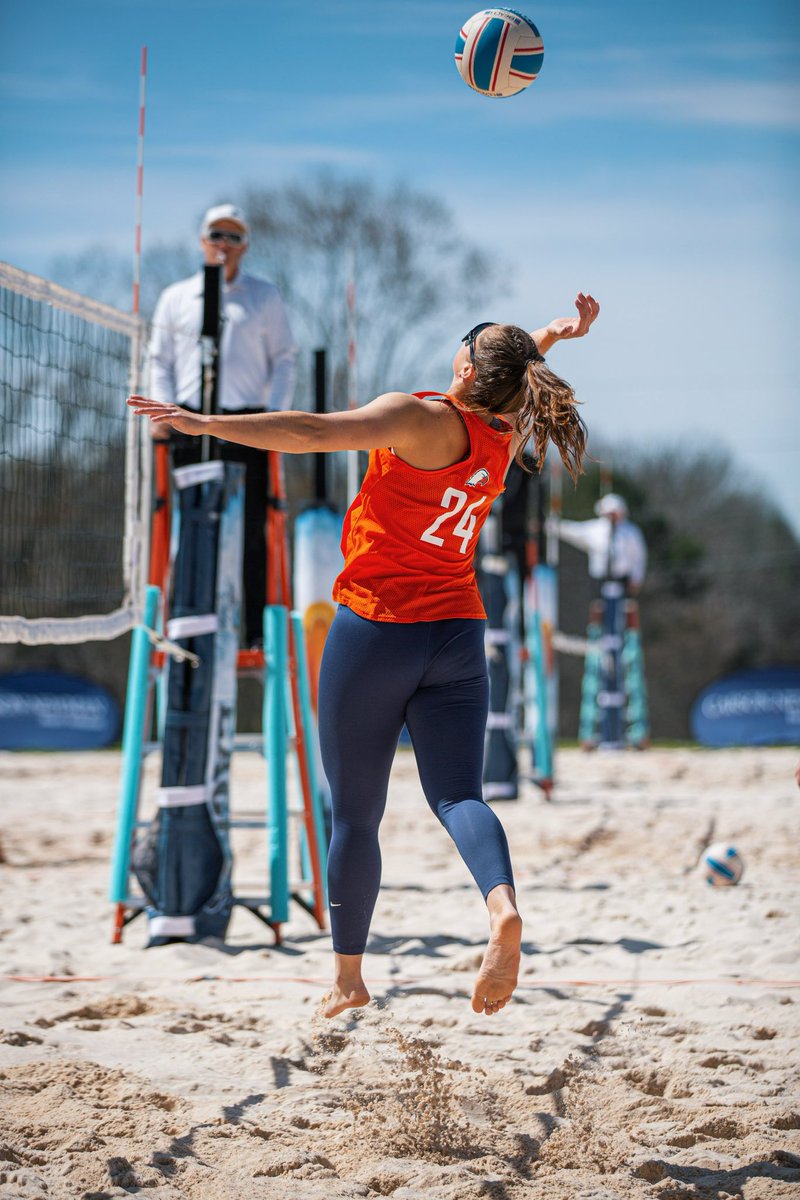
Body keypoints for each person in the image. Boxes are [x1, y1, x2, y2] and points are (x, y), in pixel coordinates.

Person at [129, 292, 600, 1018]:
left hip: (377, 631)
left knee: (354, 816)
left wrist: (204, 423)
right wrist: (553, 335)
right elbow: (516, 368)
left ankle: (349, 979)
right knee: (458, 796)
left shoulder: (418, 418)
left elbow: (311, 431)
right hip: (457, 634)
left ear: (466, 366)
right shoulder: (503, 427)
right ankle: (501, 905)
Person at [148, 203, 297, 645]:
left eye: (233, 237)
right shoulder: (177, 297)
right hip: (188, 419)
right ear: (202, 240)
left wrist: (274, 419)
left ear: (245, 246)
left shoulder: (263, 297)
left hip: (246, 422)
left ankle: (251, 630)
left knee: (251, 526)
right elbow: (159, 359)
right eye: (217, 235)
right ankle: (183, 625)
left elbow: (285, 360)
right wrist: (161, 414)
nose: (224, 245)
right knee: (185, 524)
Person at [550, 492, 647, 594]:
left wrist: (637, 578)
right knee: (598, 608)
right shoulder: (596, 529)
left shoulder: (631, 532)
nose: (612, 516)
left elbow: (639, 556)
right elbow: (574, 530)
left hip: (623, 581)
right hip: (599, 580)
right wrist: (552, 526)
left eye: (614, 513)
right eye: (609, 513)